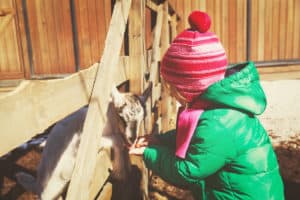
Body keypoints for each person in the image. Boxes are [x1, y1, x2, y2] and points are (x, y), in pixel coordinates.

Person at [129, 10, 284, 199]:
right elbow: (197, 139)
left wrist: (149, 153)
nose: (169, 92)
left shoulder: (218, 122)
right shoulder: (213, 108)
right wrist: (160, 140)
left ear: (190, 87)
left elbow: (186, 172)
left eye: (172, 86)